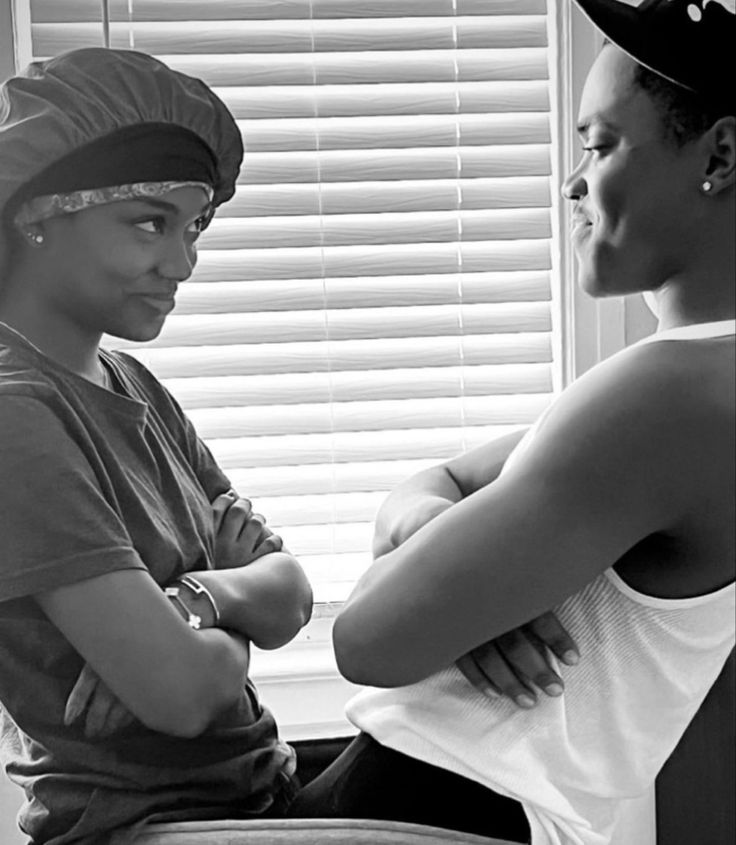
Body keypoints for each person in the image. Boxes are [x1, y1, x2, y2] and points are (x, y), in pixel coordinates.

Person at [288, 1, 736, 843]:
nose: (570, 183)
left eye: (598, 145)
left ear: (720, 153)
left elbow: (368, 637)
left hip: (433, 811)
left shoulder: (674, 397)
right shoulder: (687, 384)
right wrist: (435, 530)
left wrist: (438, 576)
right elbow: (443, 481)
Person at [0, 48, 315, 845]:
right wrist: (230, 590)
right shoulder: (16, 416)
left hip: (259, 793)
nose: (182, 263)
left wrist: (194, 600)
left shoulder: (132, 381)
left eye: (195, 226)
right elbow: (178, 694)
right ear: (38, 215)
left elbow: (292, 592)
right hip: (149, 828)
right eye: (149, 223)